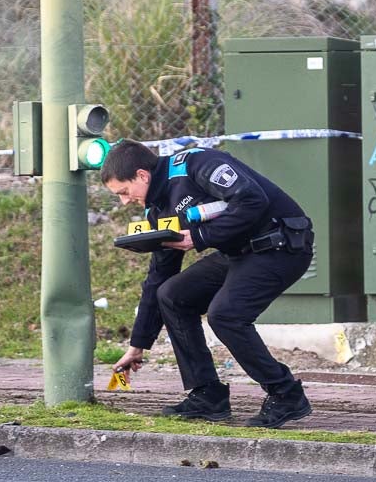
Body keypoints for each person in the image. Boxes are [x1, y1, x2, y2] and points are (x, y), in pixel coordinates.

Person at [99, 139, 315, 428]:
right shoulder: (158, 211)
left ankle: (286, 394)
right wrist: (138, 345)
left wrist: (200, 238)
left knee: (225, 315)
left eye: (124, 192)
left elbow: (252, 199)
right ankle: (207, 395)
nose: (125, 201)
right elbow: (158, 277)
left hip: (281, 245)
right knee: (172, 294)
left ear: (142, 175)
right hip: (240, 253)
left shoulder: (196, 165)